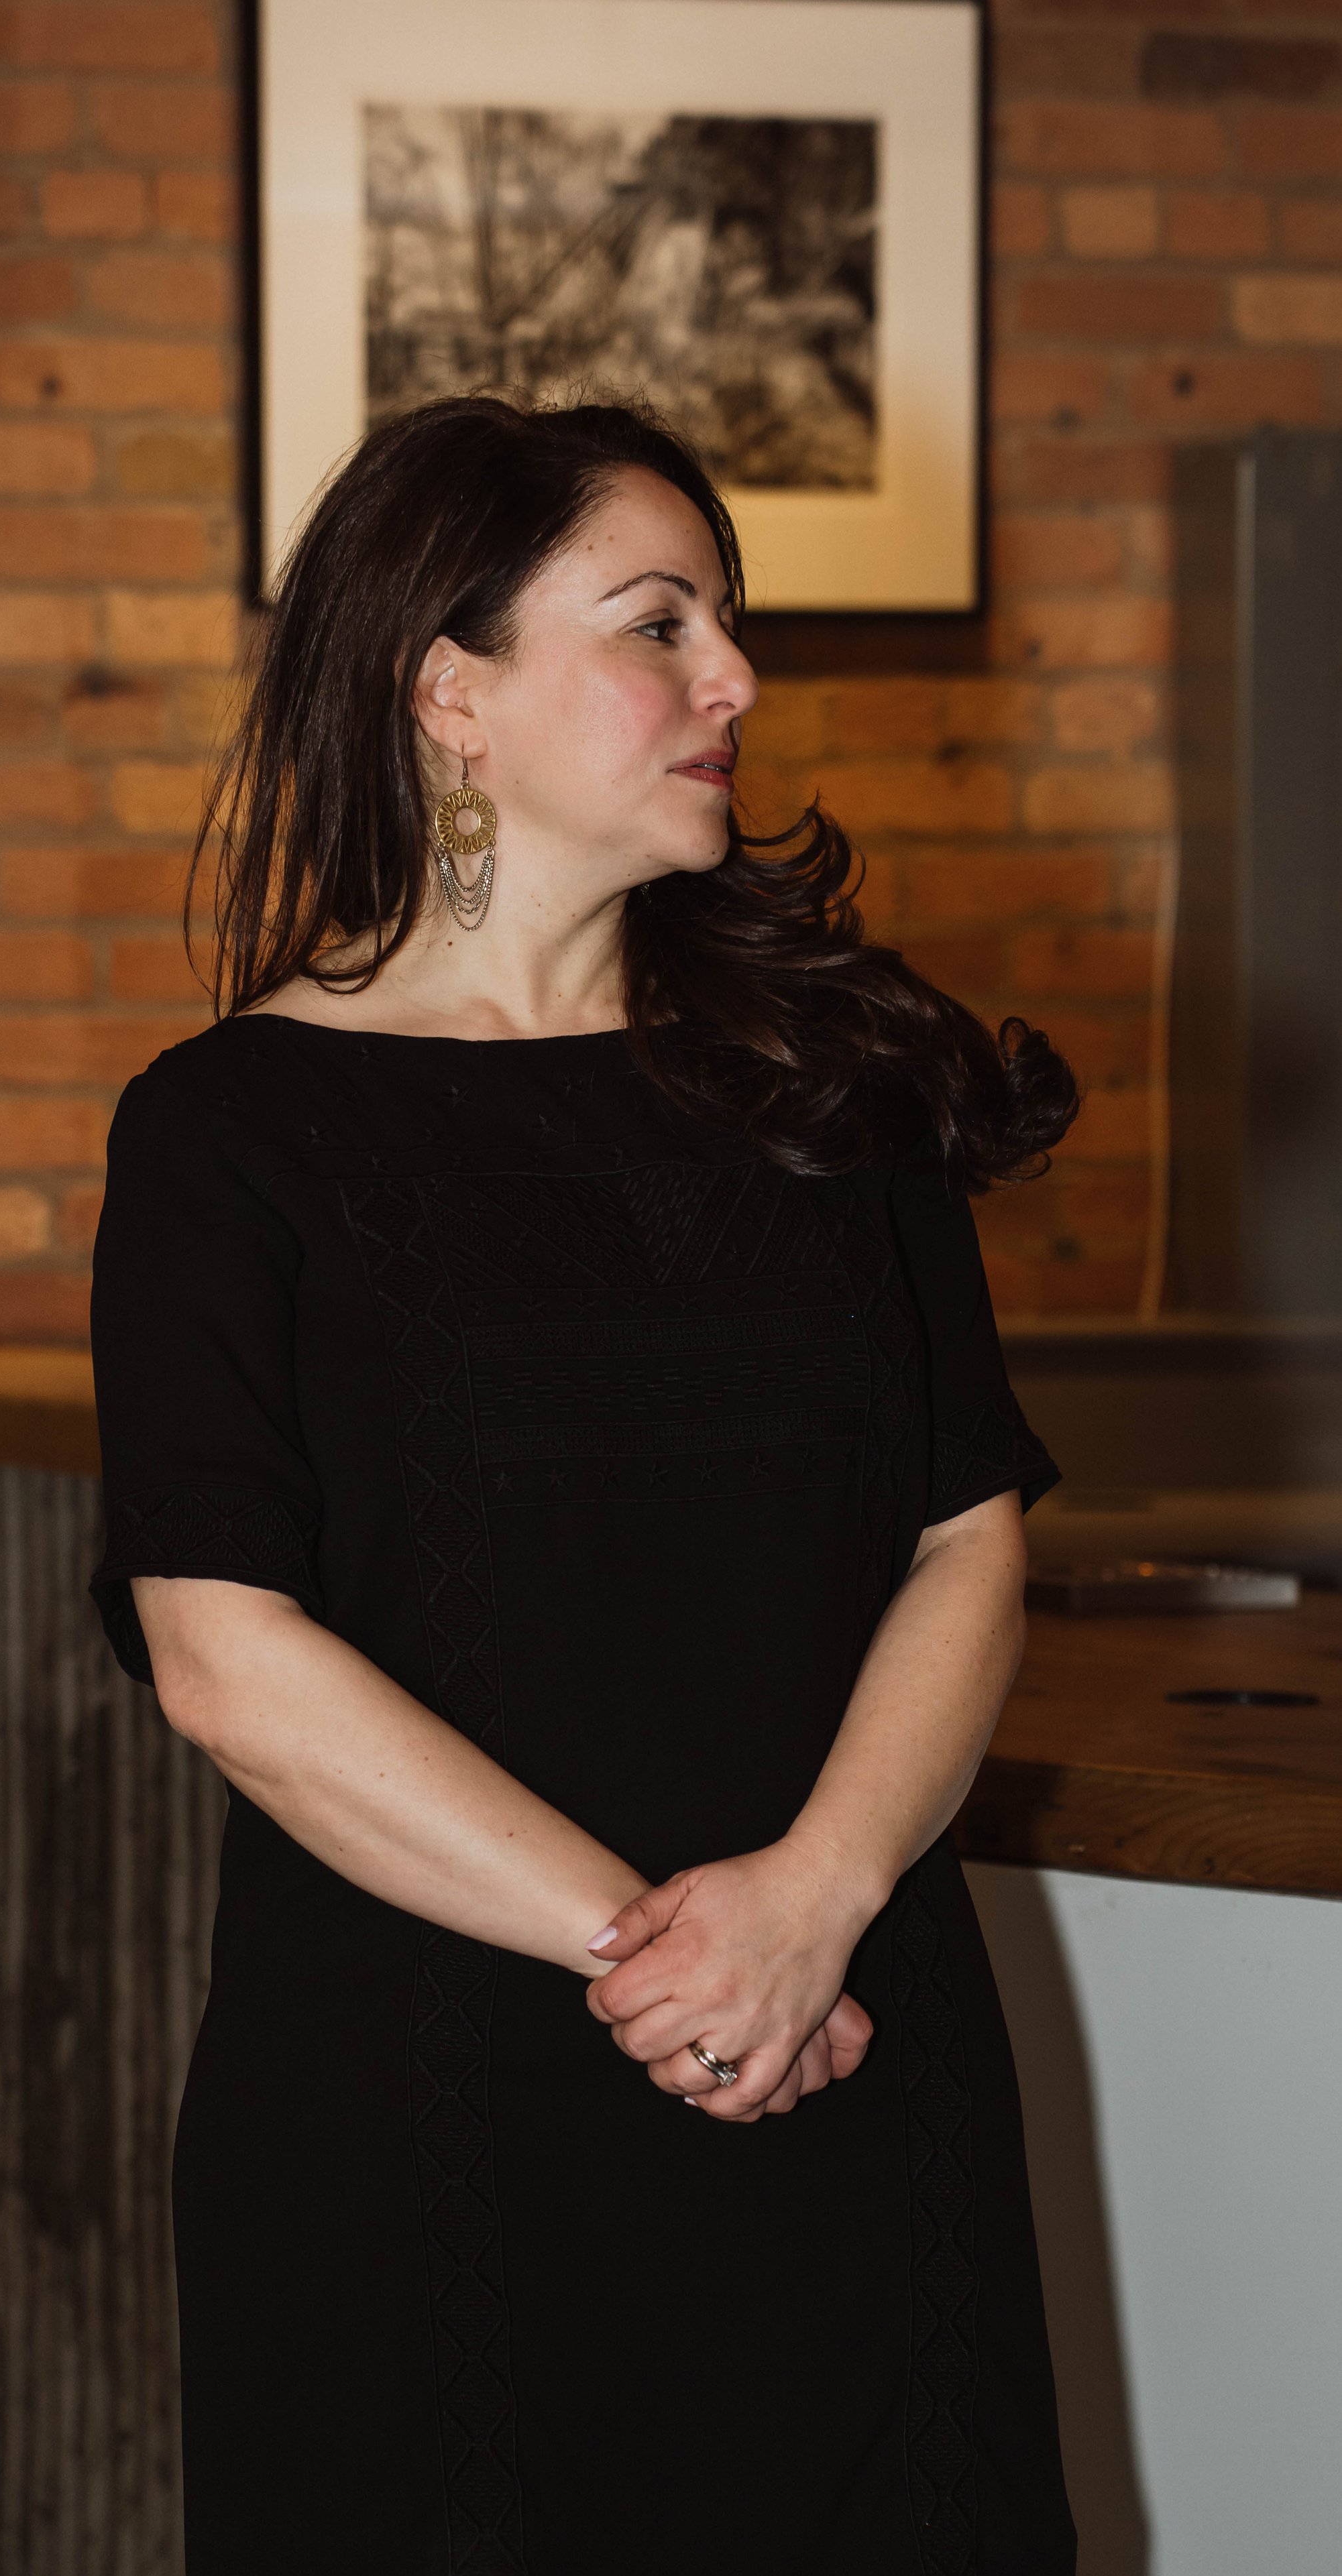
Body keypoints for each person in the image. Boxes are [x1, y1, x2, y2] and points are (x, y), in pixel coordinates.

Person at [89, 394, 1080, 2573]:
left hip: (849, 2054)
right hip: (430, 2106)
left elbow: (962, 1536)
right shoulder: (224, 1135)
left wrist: (807, 1904)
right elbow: (225, 1654)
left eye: (725, 625)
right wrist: (676, 1965)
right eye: (659, 623)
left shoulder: (838, 1079)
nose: (731, 680)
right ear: (447, 694)